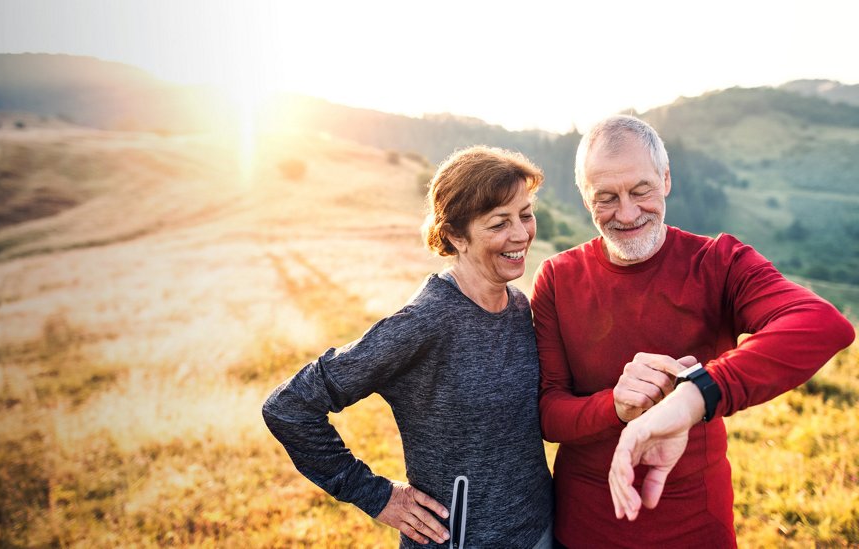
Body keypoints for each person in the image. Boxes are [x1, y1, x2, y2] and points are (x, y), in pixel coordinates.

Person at [531, 114, 855, 547]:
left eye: (640, 191)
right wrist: (618, 407)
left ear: (666, 179)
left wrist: (696, 392)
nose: (626, 213)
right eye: (606, 197)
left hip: (696, 526)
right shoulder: (557, 277)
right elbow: (549, 412)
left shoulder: (719, 262)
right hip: (586, 526)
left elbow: (821, 324)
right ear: (585, 197)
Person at [263, 146, 554, 548]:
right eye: (499, 223)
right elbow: (289, 407)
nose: (521, 233)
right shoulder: (425, 322)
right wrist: (377, 496)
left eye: (525, 214)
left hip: (541, 530)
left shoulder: (519, 306)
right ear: (455, 235)